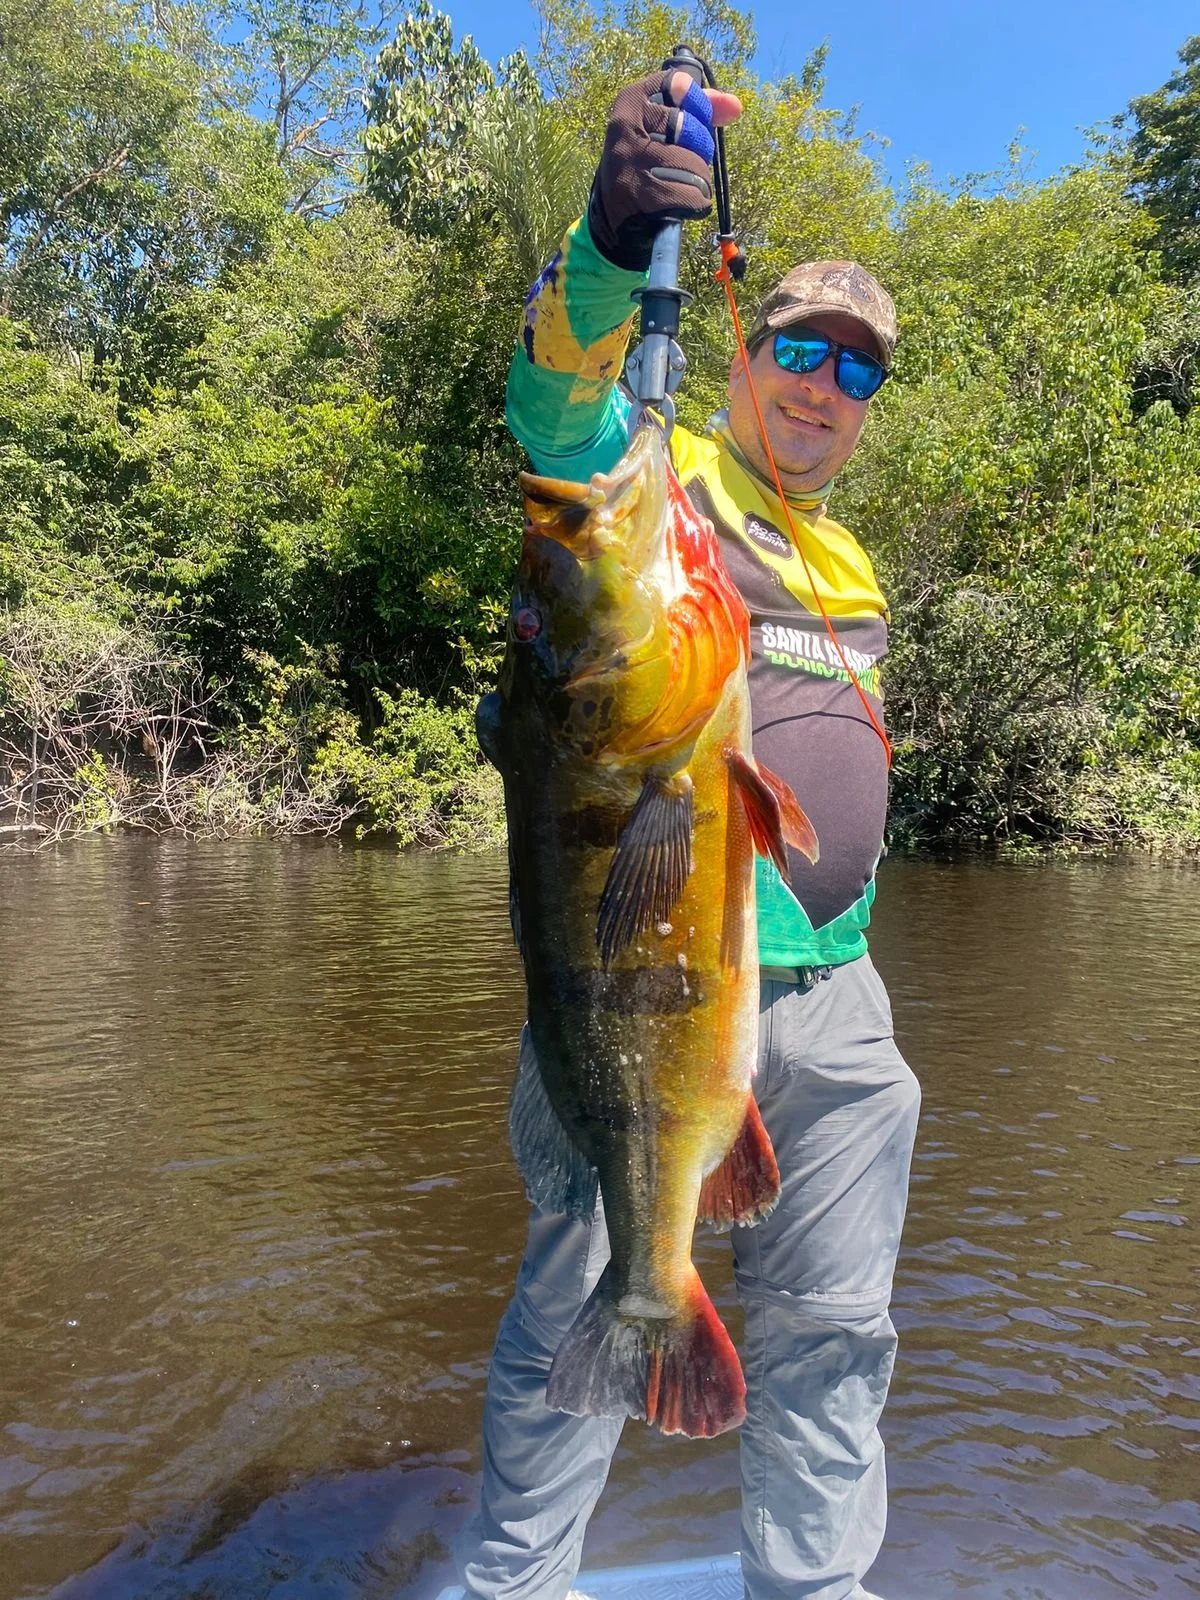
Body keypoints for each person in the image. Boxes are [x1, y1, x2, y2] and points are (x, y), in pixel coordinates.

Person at [460, 66, 922, 1600]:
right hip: (643, 996)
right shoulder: (671, 490)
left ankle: (812, 1585)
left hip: (837, 1005)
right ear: (745, 350)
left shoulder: (845, 559)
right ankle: (518, 1584)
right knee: (575, 1294)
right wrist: (604, 246)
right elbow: (559, 409)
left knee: (838, 1335)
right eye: (799, 351)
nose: (819, 389)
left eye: (853, 375)